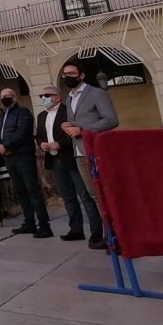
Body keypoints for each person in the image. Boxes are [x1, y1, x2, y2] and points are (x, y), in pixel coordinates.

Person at [35, 87, 103, 247]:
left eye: (47, 95)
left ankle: (97, 232)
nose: (43, 98)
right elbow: (39, 135)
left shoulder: (68, 112)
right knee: (67, 196)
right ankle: (76, 229)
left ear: (57, 97)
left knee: (85, 196)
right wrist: (41, 143)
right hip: (54, 160)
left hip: (71, 157)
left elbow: (73, 134)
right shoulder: (41, 115)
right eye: (41, 95)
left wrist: (60, 144)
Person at [60, 63, 118, 248]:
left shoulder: (96, 93)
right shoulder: (69, 98)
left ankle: (116, 236)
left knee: (104, 194)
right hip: (79, 152)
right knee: (94, 196)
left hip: (95, 151)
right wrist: (68, 126)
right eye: (65, 74)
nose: (68, 76)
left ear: (81, 75)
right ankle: (108, 235)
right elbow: (76, 121)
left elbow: (111, 120)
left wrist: (82, 129)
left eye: (72, 73)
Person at [0, 88, 52, 238]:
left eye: (7, 96)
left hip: (23, 155)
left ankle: (44, 225)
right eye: (2, 96)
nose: (4, 98)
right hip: (9, 157)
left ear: (14, 97)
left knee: (32, 189)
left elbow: (22, 133)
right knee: (20, 190)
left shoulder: (23, 112)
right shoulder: (2, 114)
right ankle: (29, 222)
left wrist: (6, 146)